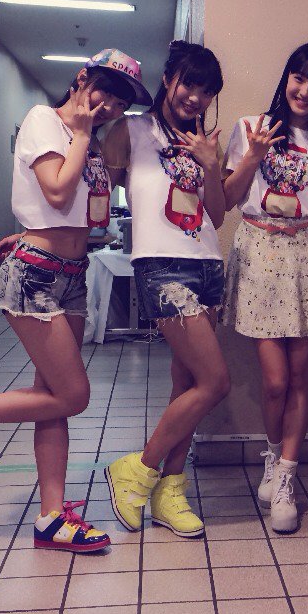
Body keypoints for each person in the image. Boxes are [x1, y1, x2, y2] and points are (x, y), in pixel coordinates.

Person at [0, 49, 151, 551]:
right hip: (36, 275)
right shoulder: (44, 121)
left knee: (52, 400)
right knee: (74, 395)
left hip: (71, 274)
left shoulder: (91, 142)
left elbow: (78, 212)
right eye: (106, 90)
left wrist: (31, 231)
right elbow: (55, 191)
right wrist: (83, 138)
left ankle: (51, 517)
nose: (111, 105)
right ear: (82, 78)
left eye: (121, 101)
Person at [103, 41, 230, 536]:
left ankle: (170, 491)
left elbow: (217, 213)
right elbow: (95, 191)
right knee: (215, 382)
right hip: (160, 264)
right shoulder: (130, 130)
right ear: (168, 78)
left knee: (188, 384)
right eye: (188, 84)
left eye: (206, 91)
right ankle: (138, 468)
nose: (195, 97)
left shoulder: (204, 141)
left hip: (207, 264)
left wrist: (211, 165)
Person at [222, 42, 308, 532]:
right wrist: (253, 156)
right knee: (274, 381)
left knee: (300, 376)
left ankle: (287, 476)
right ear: (286, 78)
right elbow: (228, 197)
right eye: (299, 78)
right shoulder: (250, 127)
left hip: (306, 254)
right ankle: (272, 458)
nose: (306, 90)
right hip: (258, 250)